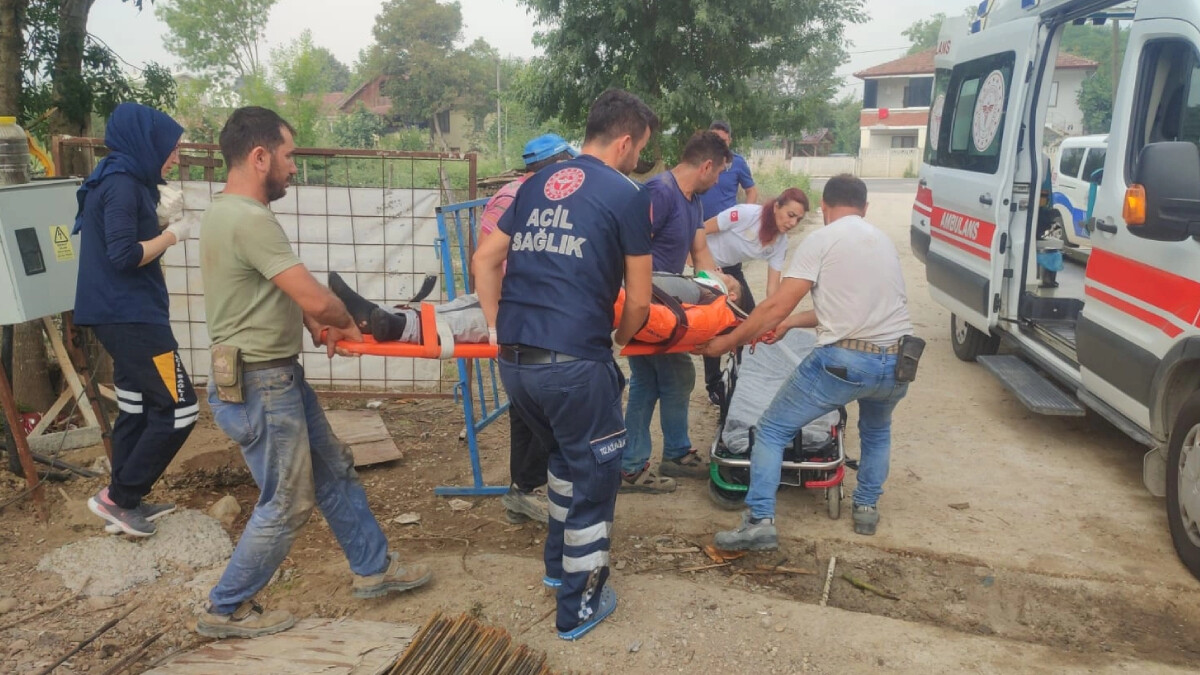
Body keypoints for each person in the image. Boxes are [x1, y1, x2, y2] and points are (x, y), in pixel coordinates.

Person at [195, 107, 431, 639]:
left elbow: (274, 288)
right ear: (260, 157)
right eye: (289, 155)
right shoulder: (249, 219)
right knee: (287, 502)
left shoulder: (227, 212)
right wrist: (343, 322)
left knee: (333, 468)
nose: (294, 167)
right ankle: (225, 608)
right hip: (261, 383)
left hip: (274, 375)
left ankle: (373, 568)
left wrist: (316, 322)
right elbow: (315, 298)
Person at [473, 88, 658, 641]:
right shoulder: (626, 194)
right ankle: (578, 607)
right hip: (574, 365)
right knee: (596, 480)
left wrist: (497, 326)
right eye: (640, 149)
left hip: (516, 364)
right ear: (624, 142)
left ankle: (557, 569)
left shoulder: (533, 185)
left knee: (562, 463)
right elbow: (641, 302)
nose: (638, 159)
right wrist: (617, 340)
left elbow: (485, 259)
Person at [699, 174, 913, 548]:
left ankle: (759, 520)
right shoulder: (883, 242)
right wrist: (788, 325)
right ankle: (866, 509)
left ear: (825, 207)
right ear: (864, 208)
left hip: (846, 361)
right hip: (898, 361)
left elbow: (776, 305)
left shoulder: (822, 240)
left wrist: (728, 342)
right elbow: (850, 311)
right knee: (877, 431)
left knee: (771, 429)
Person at [74, 102, 196, 538]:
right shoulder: (123, 184)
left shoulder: (119, 179)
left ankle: (123, 503)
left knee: (137, 406)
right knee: (181, 407)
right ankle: (120, 498)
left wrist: (156, 218)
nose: (175, 156)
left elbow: (119, 239)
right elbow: (124, 256)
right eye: (170, 147)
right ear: (148, 143)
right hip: (132, 318)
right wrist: (172, 234)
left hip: (121, 314)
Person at [620, 131, 729, 494]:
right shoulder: (659, 193)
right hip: (647, 305)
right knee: (673, 374)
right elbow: (627, 249)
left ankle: (639, 462)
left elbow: (701, 253)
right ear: (707, 166)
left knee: (649, 381)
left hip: (665, 305)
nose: (718, 181)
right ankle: (662, 457)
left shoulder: (693, 201)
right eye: (719, 173)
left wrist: (719, 291)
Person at [481, 133, 575, 525]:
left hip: (533, 312)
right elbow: (485, 259)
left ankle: (523, 488)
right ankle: (528, 487)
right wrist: (494, 323)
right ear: (559, 163)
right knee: (540, 407)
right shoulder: (516, 198)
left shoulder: (541, 196)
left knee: (527, 410)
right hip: (520, 314)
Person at [701, 187, 810, 406]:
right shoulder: (745, 214)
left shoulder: (780, 242)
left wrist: (775, 319)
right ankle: (714, 385)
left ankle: (741, 374)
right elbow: (699, 232)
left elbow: (773, 289)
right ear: (776, 206)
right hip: (704, 261)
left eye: (798, 219)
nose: (792, 223)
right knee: (716, 323)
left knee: (750, 322)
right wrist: (705, 267)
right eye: (790, 215)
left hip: (732, 269)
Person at [698, 120, 758, 219]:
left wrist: (744, 216)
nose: (719, 145)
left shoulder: (738, 162)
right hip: (699, 223)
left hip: (727, 224)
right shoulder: (698, 160)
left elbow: (752, 191)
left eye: (723, 141)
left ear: (730, 141)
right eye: (716, 140)